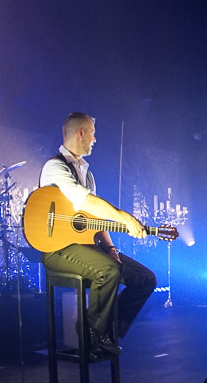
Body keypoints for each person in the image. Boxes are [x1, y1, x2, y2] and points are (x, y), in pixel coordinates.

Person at [39, 113, 157, 357]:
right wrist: (125, 217)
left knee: (145, 279)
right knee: (108, 271)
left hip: (86, 247)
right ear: (81, 132)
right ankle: (90, 333)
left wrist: (111, 249)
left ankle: (107, 330)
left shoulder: (87, 173)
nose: (95, 139)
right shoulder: (55, 167)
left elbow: (94, 219)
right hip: (57, 249)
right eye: (92, 133)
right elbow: (86, 201)